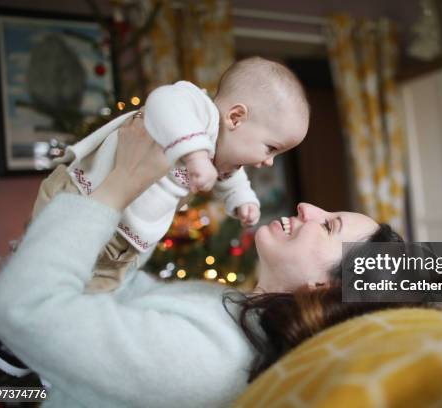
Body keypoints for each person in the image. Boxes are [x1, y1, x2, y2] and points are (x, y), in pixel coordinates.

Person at [0, 116, 411, 407]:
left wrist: (117, 189)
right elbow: (116, 290)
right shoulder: (233, 307)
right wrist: (155, 198)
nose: (307, 208)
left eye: (329, 226)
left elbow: (19, 310)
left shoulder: (213, 361)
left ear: (324, 288)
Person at [31, 56, 310, 294]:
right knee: (44, 268)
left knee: (91, 299)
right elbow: (163, 101)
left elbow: (233, 178)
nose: (270, 162)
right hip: (82, 198)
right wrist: (195, 155)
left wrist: (242, 199)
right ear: (235, 117)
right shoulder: (199, 112)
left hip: (124, 244)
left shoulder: (227, 159)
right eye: (271, 148)